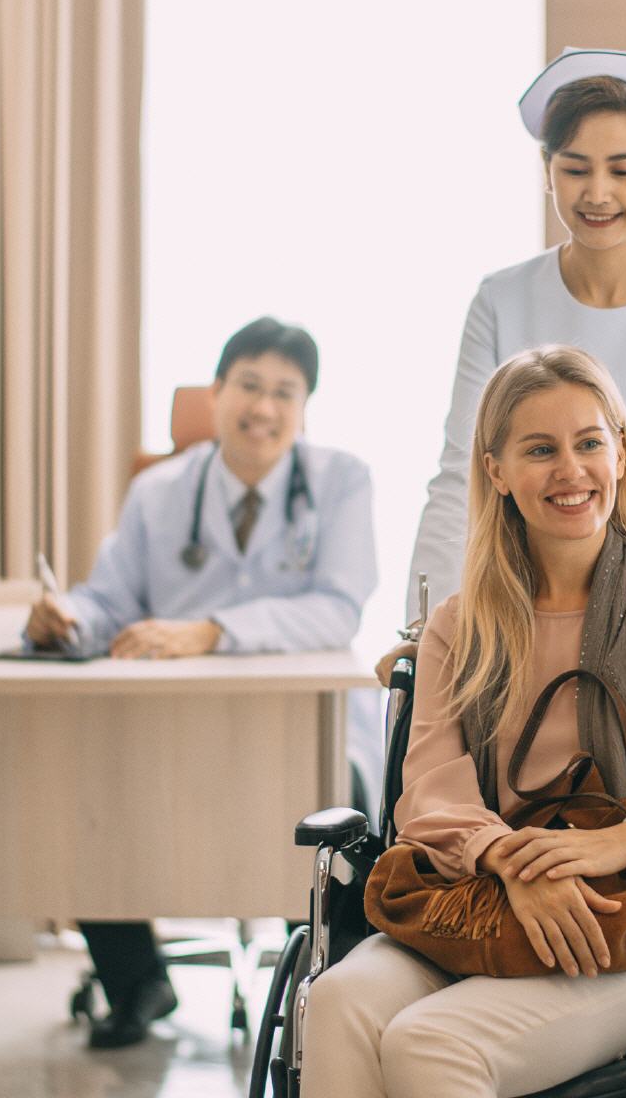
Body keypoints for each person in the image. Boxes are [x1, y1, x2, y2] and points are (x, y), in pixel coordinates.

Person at [304, 346, 626, 1096]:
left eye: (588, 443)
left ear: (620, 454)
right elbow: (431, 799)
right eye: (540, 450)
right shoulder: (459, 626)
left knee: (432, 1043)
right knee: (338, 1003)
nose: (570, 471)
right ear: (496, 473)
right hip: (483, 906)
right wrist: (517, 866)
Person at [27, 316, 377, 1048]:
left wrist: (212, 629)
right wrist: (66, 619)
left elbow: (336, 608)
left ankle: (313, 981)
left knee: (331, 798)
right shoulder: (159, 493)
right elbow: (110, 601)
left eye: (285, 392)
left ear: (305, 406)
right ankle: (136, 981)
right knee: (86, 786)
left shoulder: (340, 480)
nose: (264, 408)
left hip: (299, 721)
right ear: (215, 394)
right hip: (174, 721)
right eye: (248, 386)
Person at [404, 48, 626, 629]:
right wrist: (428, 630)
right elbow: (461, 474)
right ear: (546, 170)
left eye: (623, 171)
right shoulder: (501, 300)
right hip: (525, 602)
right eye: (575, 169)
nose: (597, 193)